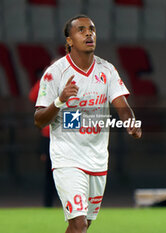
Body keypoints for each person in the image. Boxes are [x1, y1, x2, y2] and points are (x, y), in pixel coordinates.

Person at [33, 15, 142, 233]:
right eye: (81, 30)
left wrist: (131, 122)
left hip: (98, 158)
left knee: (84, 225)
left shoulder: (106, 70)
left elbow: (121, 103)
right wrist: (60, 101)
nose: (88, 33)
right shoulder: (55, 73)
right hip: (68, 158)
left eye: (91, 29)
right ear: (70, 40)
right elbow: (39, 119)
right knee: (79, 223)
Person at [29, 80, 56, 207]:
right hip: (50, 135)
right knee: (50, 173)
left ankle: (69, 203)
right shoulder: (47, 81)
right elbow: (32, 96)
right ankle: (48, 204)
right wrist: (44, 80)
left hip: (69, 135)